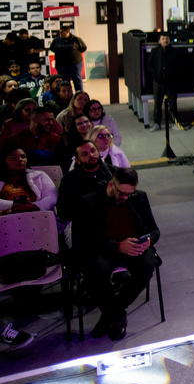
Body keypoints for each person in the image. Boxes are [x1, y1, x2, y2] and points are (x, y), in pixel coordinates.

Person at [73, 167, 160, 340]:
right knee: (95, 272)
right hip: (103, 248)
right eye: (122, 193)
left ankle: (110, 314)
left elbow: (154, 230)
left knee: (146, 267)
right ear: (111, 184)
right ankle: (117, 316)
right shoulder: (88, 202)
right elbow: (82, 240)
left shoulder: (139, 197)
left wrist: (149, 240)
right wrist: (118, 246)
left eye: (130, 194)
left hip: (134, 246)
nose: (125, 198)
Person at [58, 140, 113, 224]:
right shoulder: (68, 180)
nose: (91, 155)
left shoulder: (114, 173)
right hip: (81, 221)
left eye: (93, 150)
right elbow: (64, 211)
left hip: (112, 217)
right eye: (85, 154)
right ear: (77, 160)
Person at [0, 143, 58, 216]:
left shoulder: (40, 176)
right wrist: (13, 205)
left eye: (23, 157)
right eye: (14, 158)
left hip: (36, 217)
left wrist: (34, 206)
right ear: (5, 161)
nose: (20, 160)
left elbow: (51, 197)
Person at [147, 34, 183, 131]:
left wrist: (173, 75)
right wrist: (156, 75)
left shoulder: (175, 52)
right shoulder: (154, 52)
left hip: (171, 82)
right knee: (157, 103)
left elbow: (179, 66)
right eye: (163, 39)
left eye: (167, 38)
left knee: (172, 104)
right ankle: (157, 123)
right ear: (159, 41)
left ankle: (175, 122)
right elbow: (149, 66)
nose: (165, 40)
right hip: (158, 82)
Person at [50, 26, 87, 93]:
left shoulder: (76, 39)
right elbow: (52, 48)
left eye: (62, 32)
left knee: (77, 79)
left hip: (75, 64)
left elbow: (83, 48)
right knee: (64, 81)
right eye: (60, 32)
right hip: (61, 64)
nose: (60, 33)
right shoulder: (56, 40)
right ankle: (68, 95)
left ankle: (79, 94)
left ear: (67, 32)